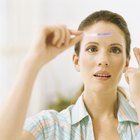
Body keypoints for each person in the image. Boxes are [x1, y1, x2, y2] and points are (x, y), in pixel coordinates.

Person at [0, 10, 140, 140]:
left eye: (115, 50)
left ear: (126, 63)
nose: (103, 60)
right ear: (76, 61)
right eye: (92, 49)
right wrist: (31, 64)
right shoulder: (49, 127)